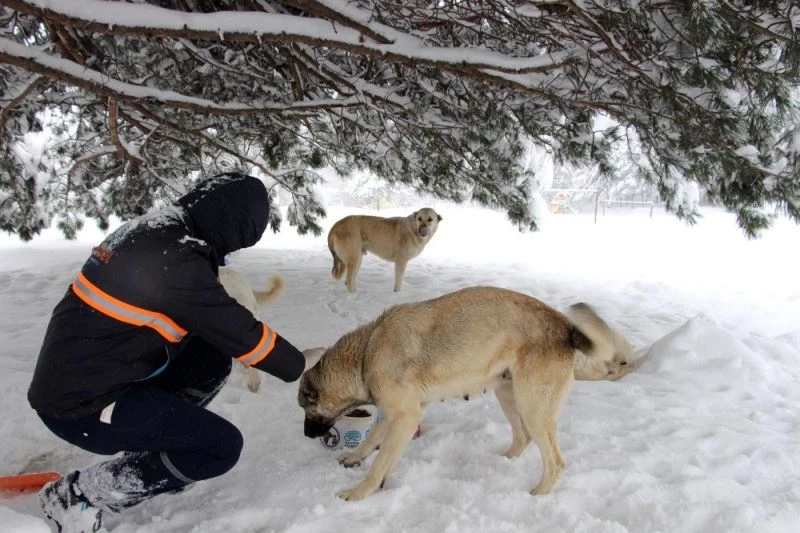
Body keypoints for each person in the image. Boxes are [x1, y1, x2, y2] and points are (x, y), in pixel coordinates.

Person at [27, 173, 325, 533]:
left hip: (90, 374)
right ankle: (78, 495)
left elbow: (212, 328)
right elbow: (239, 331)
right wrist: (300, 363)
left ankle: (163, 453)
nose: (232, 251)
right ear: (230, 225)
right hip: (81, 406)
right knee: (221, 447)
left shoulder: (156, 230)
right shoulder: (177, 261)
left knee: (210, 358)